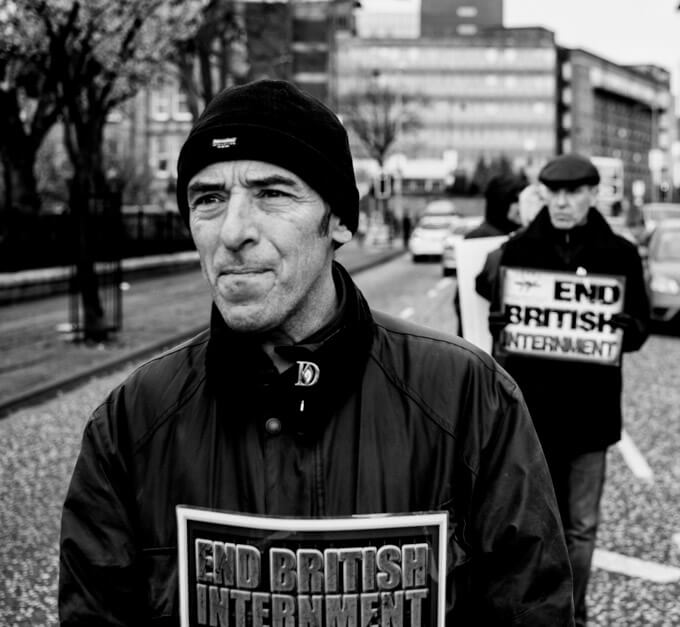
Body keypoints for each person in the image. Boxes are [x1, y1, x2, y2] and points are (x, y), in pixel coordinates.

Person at [58, 79, 574, 626]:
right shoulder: (132, 422)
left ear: (340, 221)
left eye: (272, 193)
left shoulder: (470, 398)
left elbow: (531, 606)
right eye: (208, 198)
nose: (232, 231)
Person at [476, 153, 650, 627]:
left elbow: (640, 329)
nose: (562, 202)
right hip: (534, 413)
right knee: (533, 523)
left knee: (581, 526)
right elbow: (494, 316)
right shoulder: (519, 251)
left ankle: (573, 610)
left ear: (593, 195)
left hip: (591, 414)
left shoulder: (620, 254)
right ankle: (541, 610)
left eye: (572, 193)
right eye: (554, 192)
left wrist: (624, 325)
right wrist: (499, 322)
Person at [454, 173, 527, 337]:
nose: (520, 207)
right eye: (514, 201)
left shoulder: (521, 235)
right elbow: (467, 300)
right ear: (501, 202)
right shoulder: (479, 238)